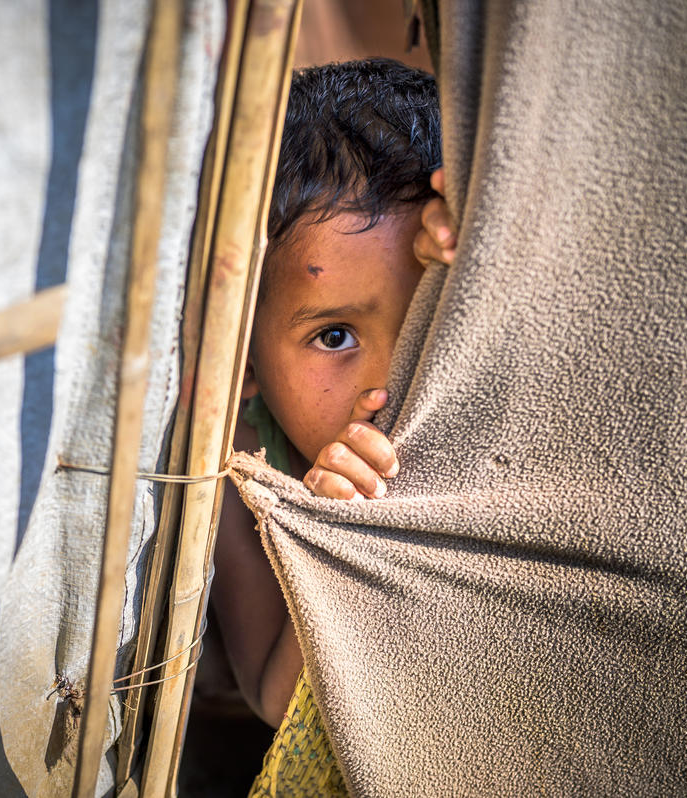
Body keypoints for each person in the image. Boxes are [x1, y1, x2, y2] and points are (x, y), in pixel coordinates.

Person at [208, 56, 457, 781]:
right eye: (334, 336)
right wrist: (334, 537)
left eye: (429, 319)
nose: (388, 382)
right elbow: (270, 697)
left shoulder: (496, 407)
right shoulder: (242, 464)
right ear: (245, 355)